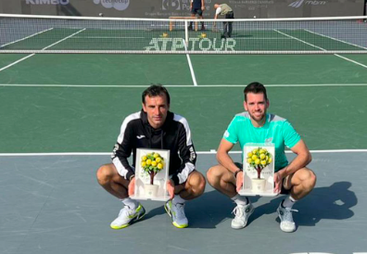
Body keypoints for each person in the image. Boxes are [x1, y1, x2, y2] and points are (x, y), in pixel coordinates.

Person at [206, 82, 316, 233]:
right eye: (252, 103)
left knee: (308, 178)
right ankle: (243, 205)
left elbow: (305, 155)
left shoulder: (281, 124)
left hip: (278, 177)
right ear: (245, 105)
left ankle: (286, 208)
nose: (256, 108)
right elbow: (221, 153)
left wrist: (281, 173)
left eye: (260, 103)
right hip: (247, 175)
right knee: (214, 174)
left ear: (267, 103)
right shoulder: (238, 121)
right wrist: (237, 173)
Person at [96, 85, 205, 230]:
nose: (157, 112)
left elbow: (189, 158)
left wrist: (173, 180)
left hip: (170, 179)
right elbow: (118, 154)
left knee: (198, 183)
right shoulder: (132, 122)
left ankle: (176, 203)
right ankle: (132, 207)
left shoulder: (180, 124)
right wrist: (131, 176)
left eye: (162, 106)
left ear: (168, 106)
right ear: (144, 107)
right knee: (104, 174)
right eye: (152, 106)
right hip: (139, 178)